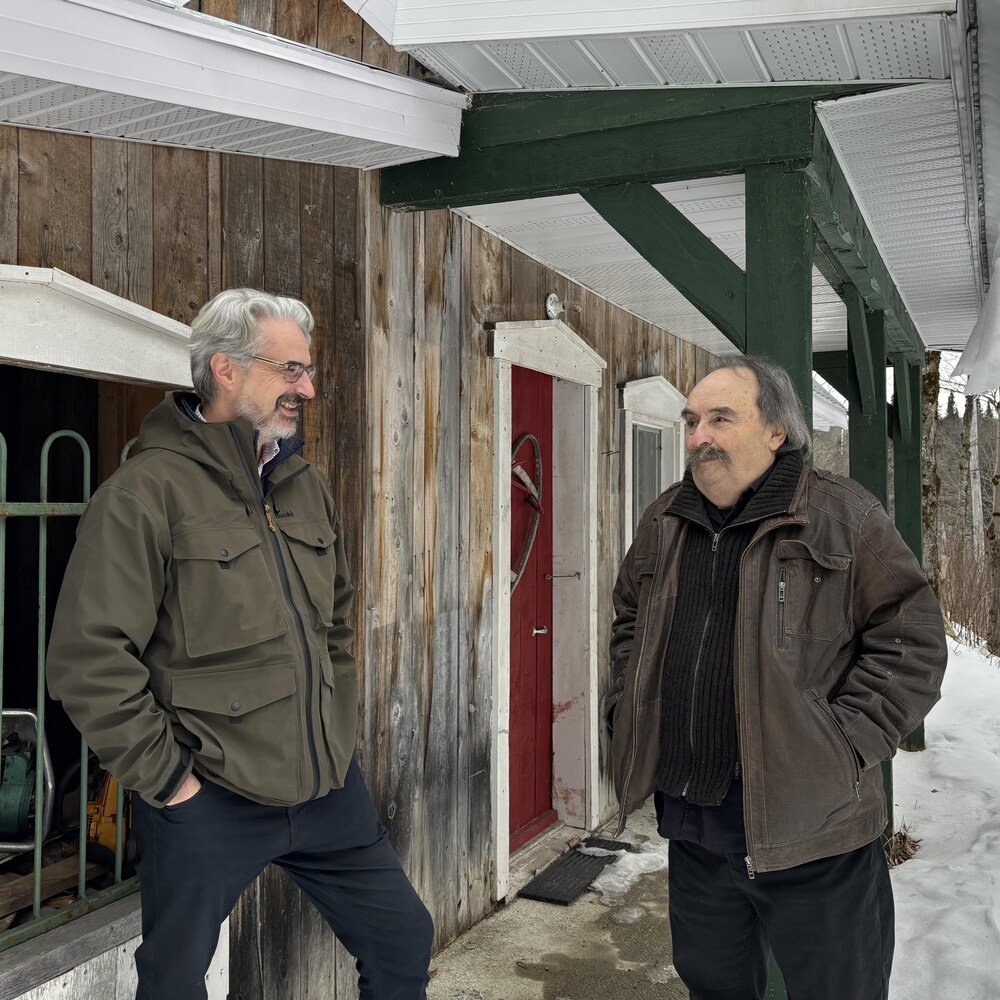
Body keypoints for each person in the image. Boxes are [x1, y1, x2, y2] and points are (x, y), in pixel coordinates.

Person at [46, 289, 433, 1000]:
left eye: (307, 371)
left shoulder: (305, 486)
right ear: (225, 368)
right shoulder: (143, 495)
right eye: (291, 370)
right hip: (209, 795)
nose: (307, 389)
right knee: (174, 982)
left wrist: (334, 730)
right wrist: (173, 785)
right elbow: (89, 660)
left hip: (326, 790)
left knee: (403, 938)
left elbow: (335, 623)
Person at [608, 355, 947, 1000]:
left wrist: (842, 744)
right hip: (696, 833)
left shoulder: (842, 517)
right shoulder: (665, 521)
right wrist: (626, 703)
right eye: (691, 421)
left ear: (776, 432)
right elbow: (630, 618)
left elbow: (913, 638)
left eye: (721, 419)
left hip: (816, 838)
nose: (699, 436)